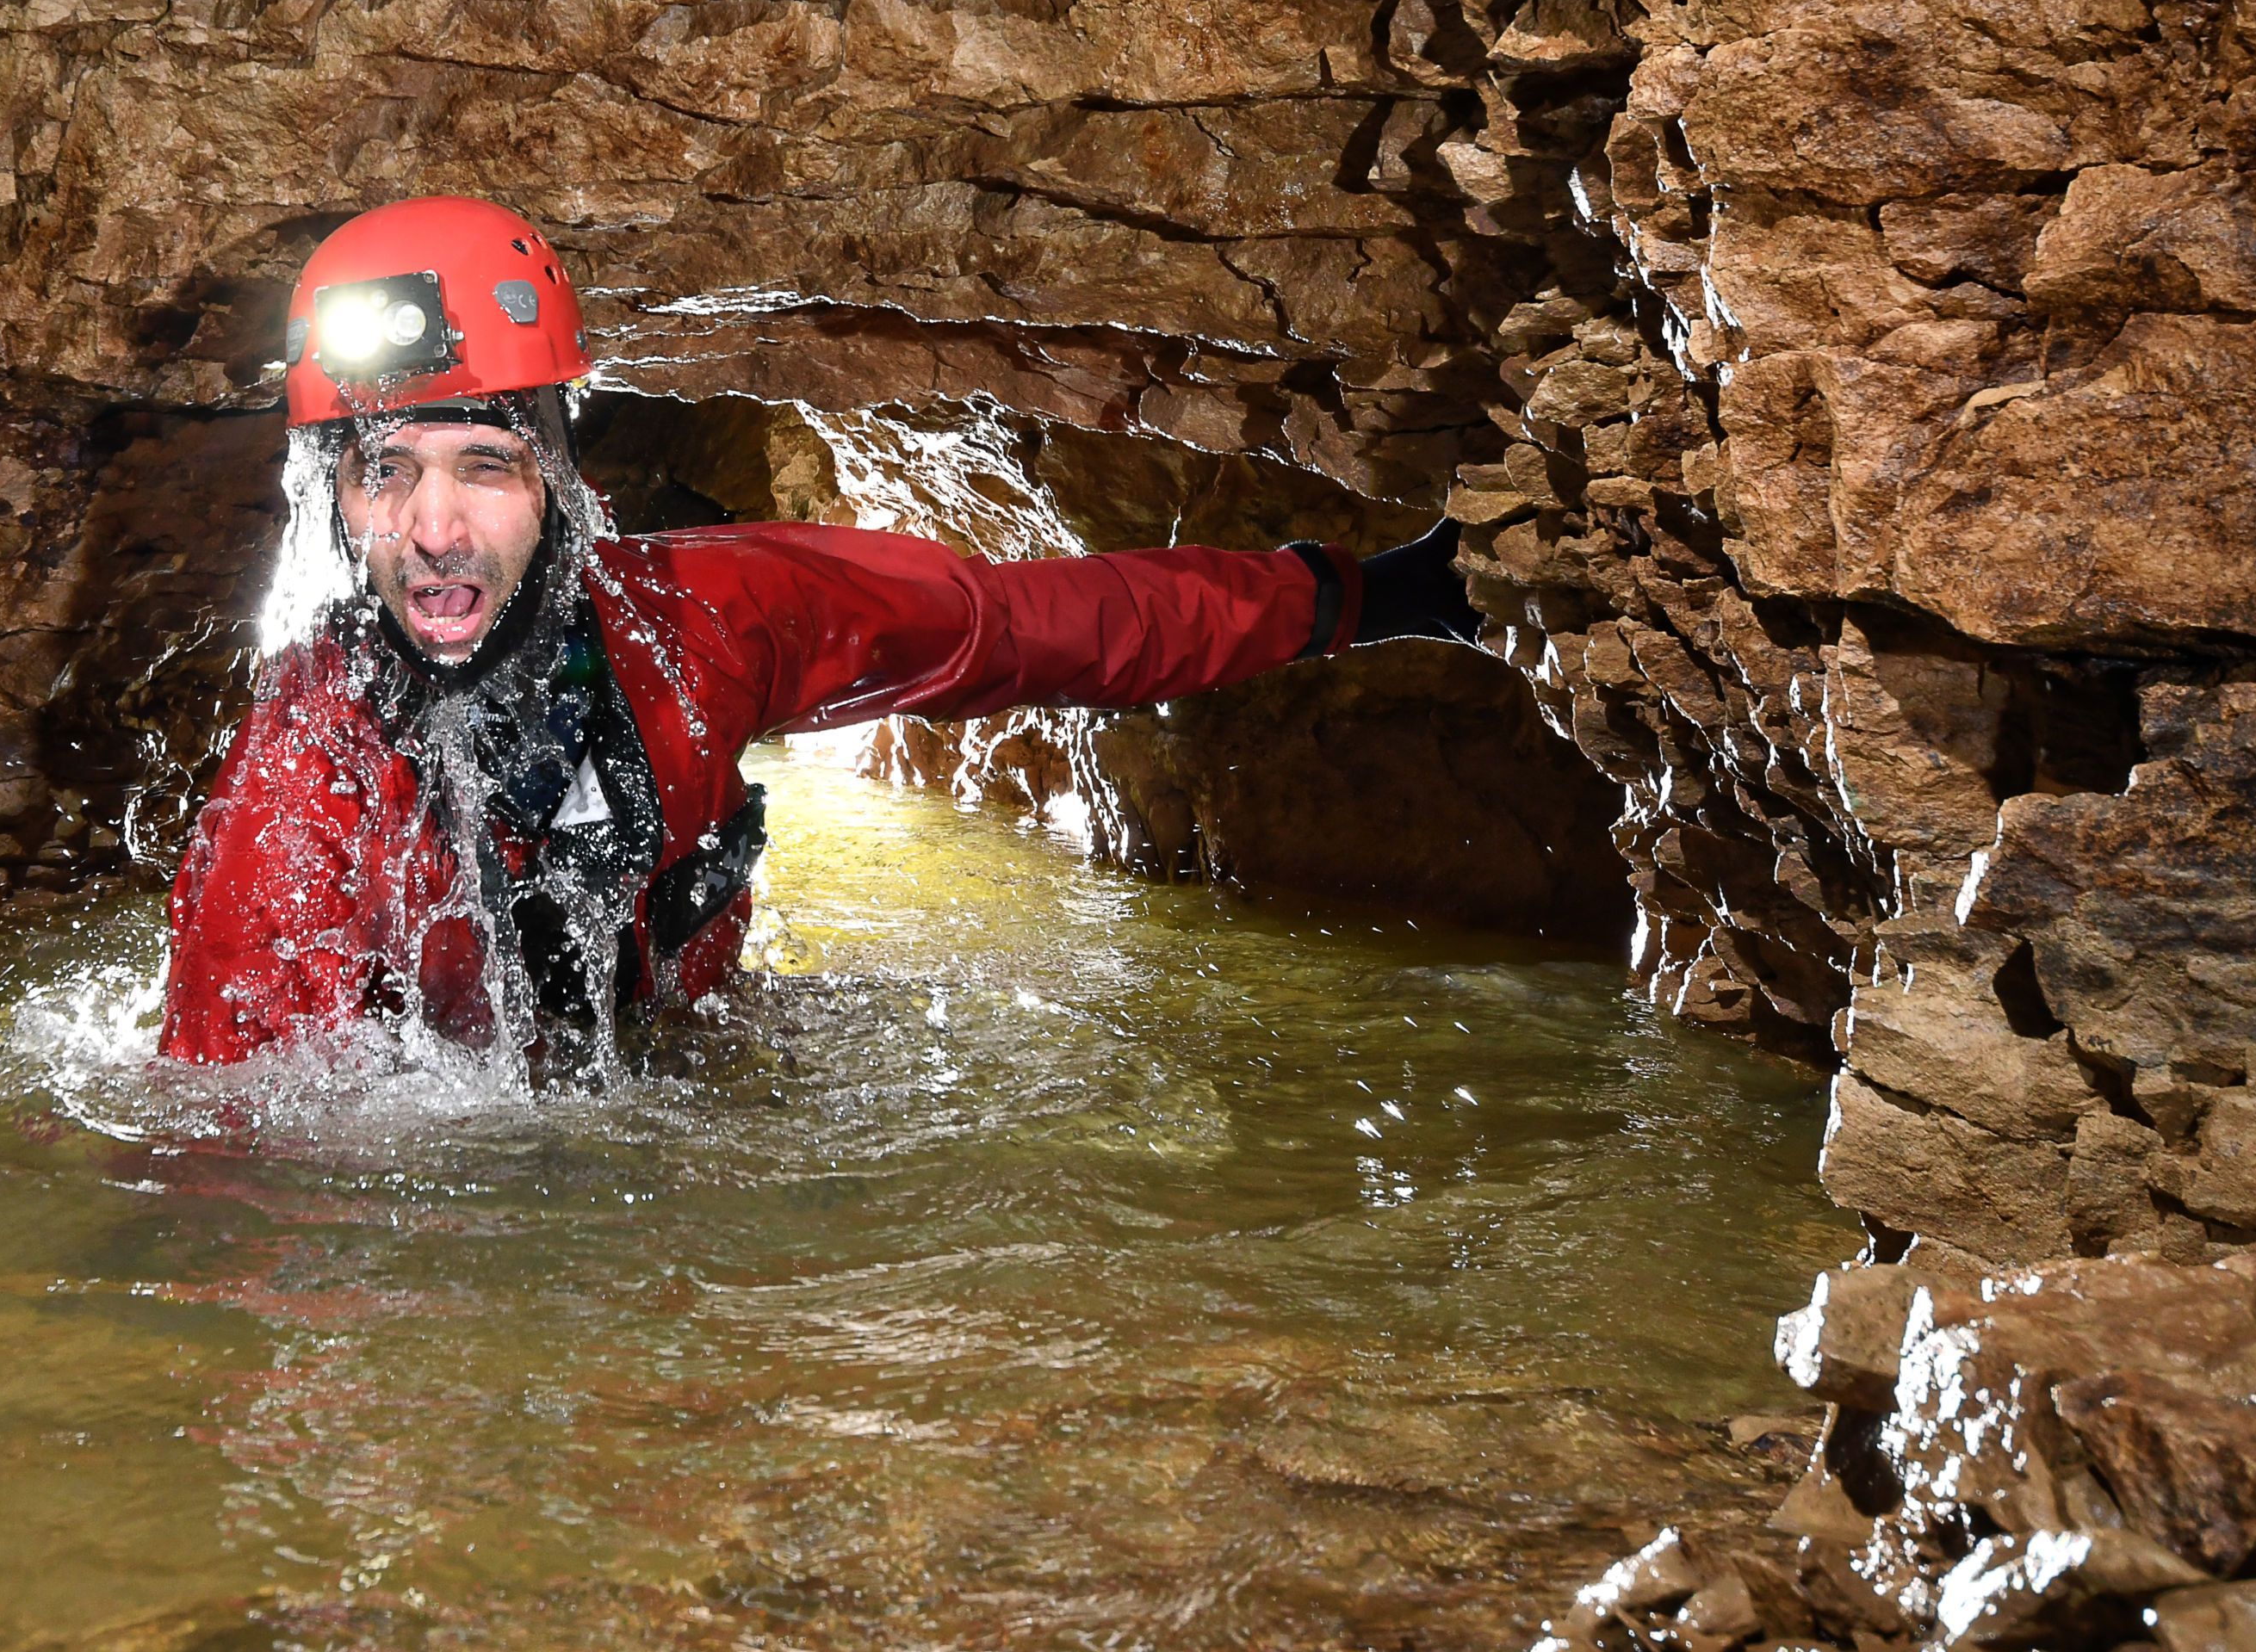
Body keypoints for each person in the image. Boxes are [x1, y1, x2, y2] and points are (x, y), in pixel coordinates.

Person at [158, 195, 1487, 1073]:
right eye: (386, 472)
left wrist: (1376, 599)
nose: (433, 528)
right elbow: (237, 1146)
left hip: (691, 1087)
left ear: (563, 483)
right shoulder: (301, 786)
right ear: (336, 504)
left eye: (485, 467)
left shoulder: (707, 623)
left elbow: (1035, 629)